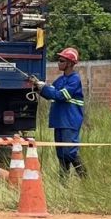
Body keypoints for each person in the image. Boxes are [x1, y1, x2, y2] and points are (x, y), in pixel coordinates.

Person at [30, 47, 87, 176]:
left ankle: (84, 178)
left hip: (70, 121)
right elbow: (50, 93)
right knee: (61, 154)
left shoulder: (75, 80)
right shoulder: (60, 80)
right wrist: (37, 86)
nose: (58, 63)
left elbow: (61, 95)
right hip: (60, 121)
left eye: (61, 60)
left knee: (69, 152)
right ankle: (63, 183)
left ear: (70, 63)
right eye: (59, 60)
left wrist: (44, 87)